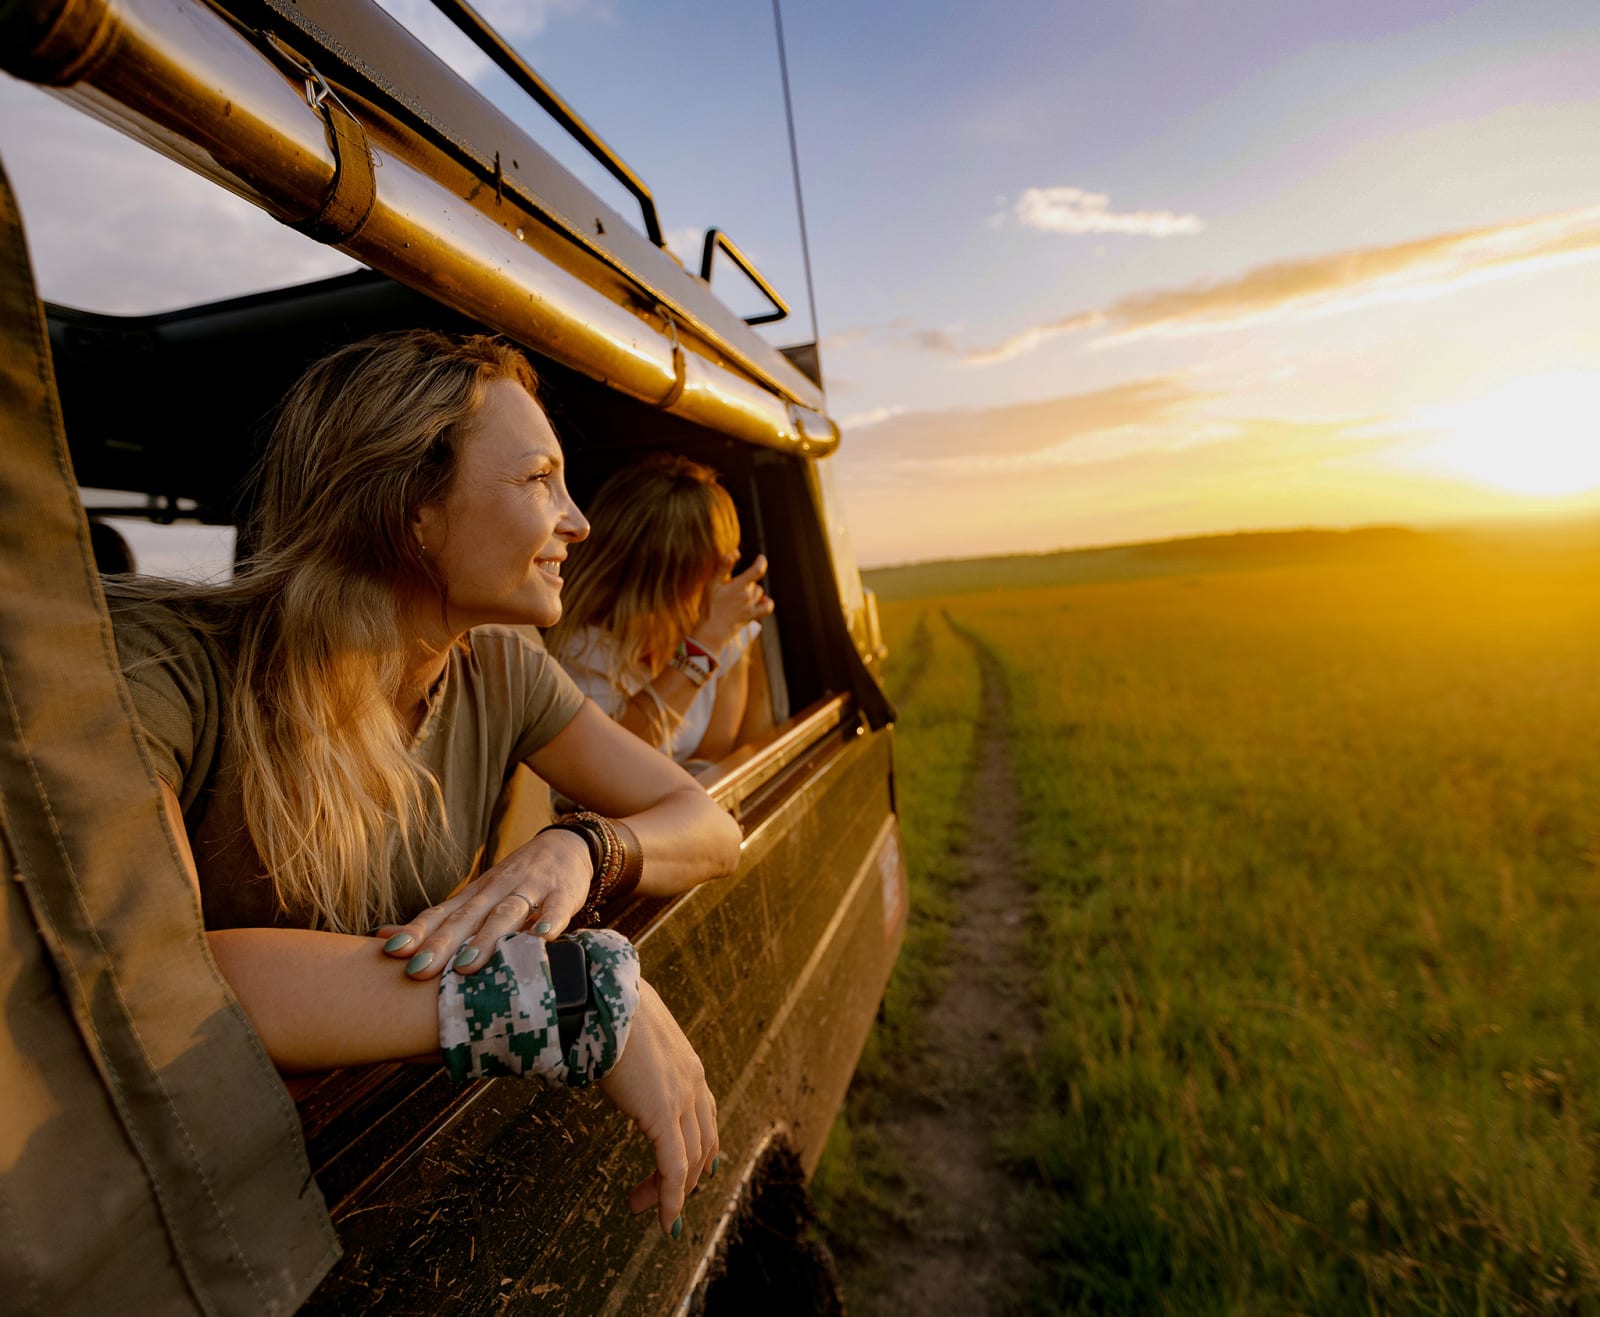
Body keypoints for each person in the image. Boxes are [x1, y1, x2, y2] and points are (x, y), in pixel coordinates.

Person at [106, 330, 740, 1238]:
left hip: (354, 1189)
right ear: (413, 508)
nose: (578, 521)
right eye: (537, 481)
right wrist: (568, 993)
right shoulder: (163, 669)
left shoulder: (501, 671)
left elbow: (709, 825)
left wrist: (581, 847)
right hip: (191, 1214)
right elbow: (159, 974)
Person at [544, 455, 775, 770]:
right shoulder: (577, 650)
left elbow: (715, 759)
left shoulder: (727, 626)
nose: (725, 576)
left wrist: (715, 639)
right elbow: (606, 768)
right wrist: (701, 650)